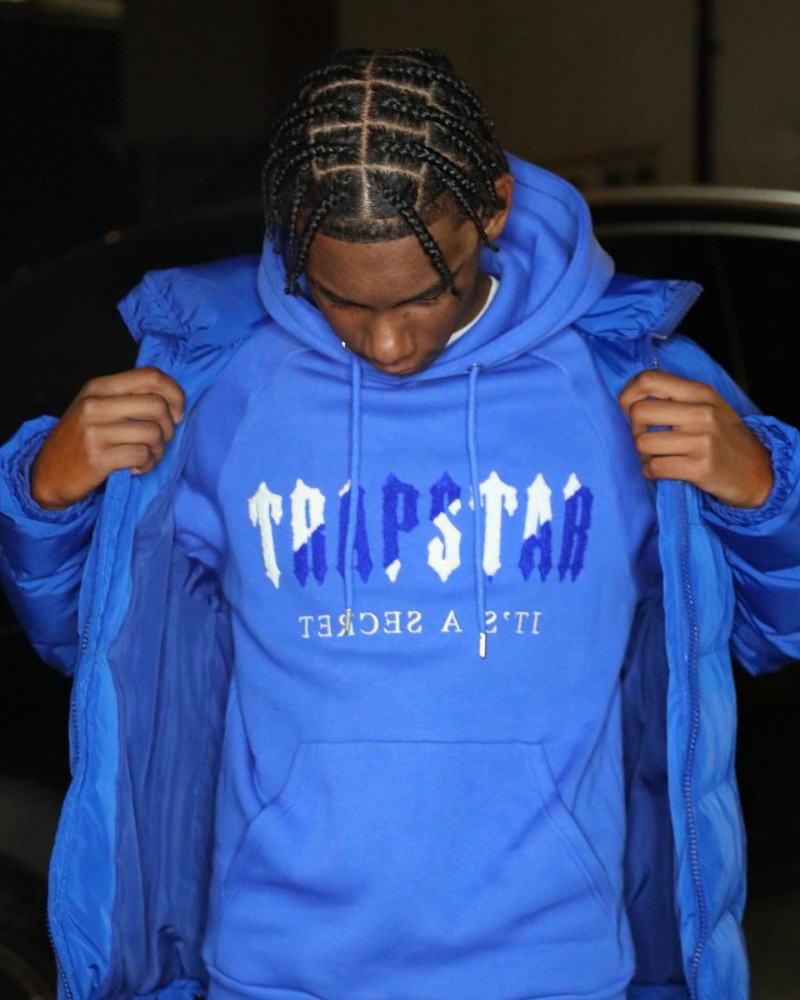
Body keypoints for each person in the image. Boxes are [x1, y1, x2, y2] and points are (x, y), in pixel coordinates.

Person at [0, 47, 798, 1000]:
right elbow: (92, 650)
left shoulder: (627, 379)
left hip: (551, 972)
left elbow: (774, 634)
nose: (386, 343)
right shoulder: (220, 387)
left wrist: (765, 494)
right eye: (341, 299)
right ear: (290, 237)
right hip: (277, 971)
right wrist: (47, 500)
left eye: (425, 293)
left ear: (493, 209)